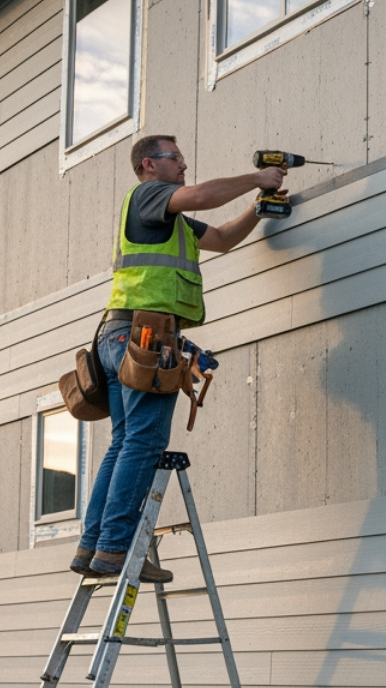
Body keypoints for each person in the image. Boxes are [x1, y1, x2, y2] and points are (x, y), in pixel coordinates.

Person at [72, 134, 287, 583]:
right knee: (144, 445)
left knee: (125, 443)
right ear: (150, 164)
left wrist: (260, 204)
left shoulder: (172, 222)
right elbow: (203, 196)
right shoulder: (150, 194)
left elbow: (224, 238)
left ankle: (95, 546)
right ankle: (115, 549)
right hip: (143, 338)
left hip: (120, 338)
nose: (184, 165)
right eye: (176, 158)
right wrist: (256, 177)